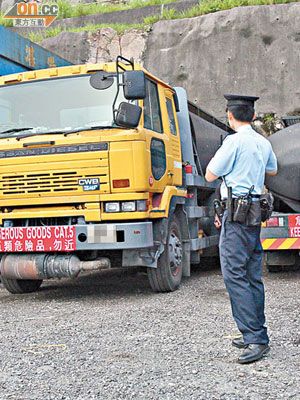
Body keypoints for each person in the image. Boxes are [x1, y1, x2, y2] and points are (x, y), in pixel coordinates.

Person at [205, 94, 278, 364]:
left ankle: (254, 337)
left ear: (229, 116)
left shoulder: (233, 142)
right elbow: (273, 169)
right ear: (254, 117)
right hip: (253, 213)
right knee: (251, 273)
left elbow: (210, 174)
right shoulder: (263, 142)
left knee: (234, 274)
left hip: (236, 215)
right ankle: (257, 332)